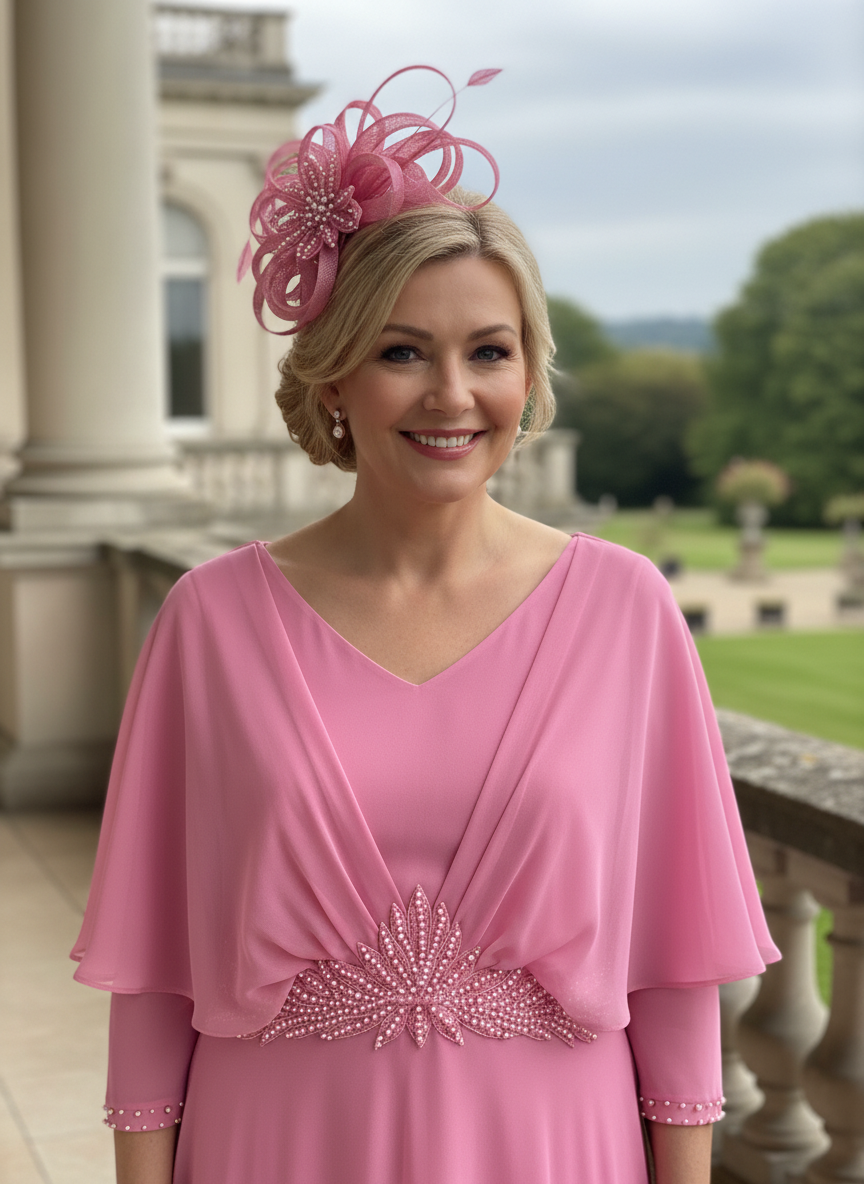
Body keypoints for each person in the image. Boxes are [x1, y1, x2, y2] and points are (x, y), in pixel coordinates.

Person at [71, 67, 779, 1184]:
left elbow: (676, 973)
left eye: (488, 351)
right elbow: (155, 978)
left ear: (529, 375)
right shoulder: (208, 624)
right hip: (278, 1148)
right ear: (335, 378)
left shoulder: (626, 610)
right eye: (404, 351)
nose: (453, 393)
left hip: (554, 1150)